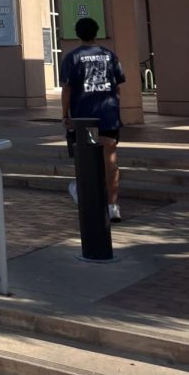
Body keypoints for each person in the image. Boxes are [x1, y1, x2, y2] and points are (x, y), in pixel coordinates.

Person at [60, 17, 125, 223]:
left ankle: (84, 195)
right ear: (96, 32)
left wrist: (65, 115)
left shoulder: (72, 58)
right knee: (110, 161)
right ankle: (113, 206)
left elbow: (67, 89)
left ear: (77, 34)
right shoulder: (110, 56)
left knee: (86, 160)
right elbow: (118, 86)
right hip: (108, 117)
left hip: (83, 118)